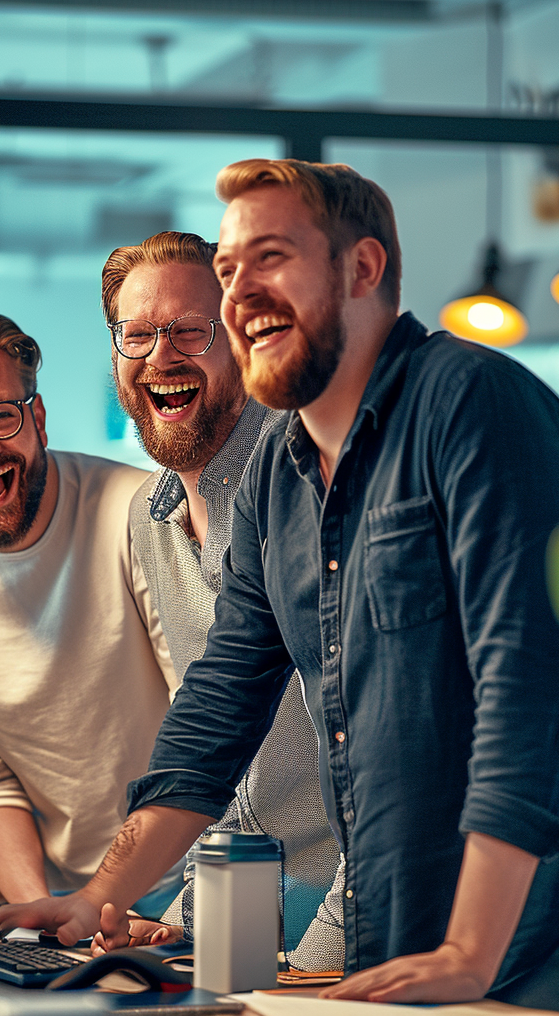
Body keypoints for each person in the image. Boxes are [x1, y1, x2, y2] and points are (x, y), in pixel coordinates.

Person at [0, 160, 559, 1013]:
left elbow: (527, 697)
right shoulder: (278, 476)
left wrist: (472, 949)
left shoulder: (474, 404)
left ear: (362, 269)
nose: (239, 291)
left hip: (528, 953)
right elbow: (217, 712)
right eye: (228, 270)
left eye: (271, 257)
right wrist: (94, 896)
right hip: (393, 944)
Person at [101, 230, 345, 970]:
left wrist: (316, 965)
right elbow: (221, 763)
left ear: (243, 339)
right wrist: (185, 923)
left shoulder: (316, 486)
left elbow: (389, 779)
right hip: (249, 921)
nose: (159, 356)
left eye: (188, 331)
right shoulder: (151, 518)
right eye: (136, 334)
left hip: (367, 917)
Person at [0, 312, 181, 912]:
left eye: (0, 416)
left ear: (37, 419)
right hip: (67, 897)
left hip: (202, 879)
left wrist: (110, 901)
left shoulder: (143, 514)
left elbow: (211, 729)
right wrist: (41, 919)